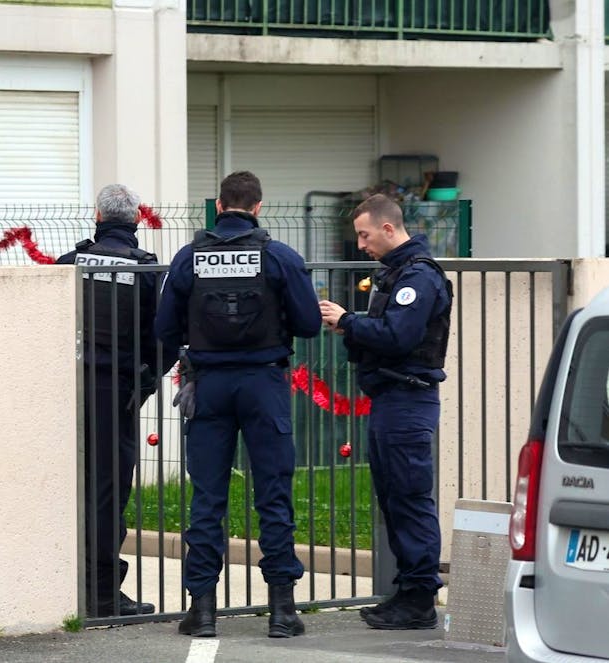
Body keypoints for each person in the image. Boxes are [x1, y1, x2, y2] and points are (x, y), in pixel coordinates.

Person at [154, 171, 321, 638]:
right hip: (264, 384)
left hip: (209, 386)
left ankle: (203, 610)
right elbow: (309, 324)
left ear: (219, 206)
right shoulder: (279, 257)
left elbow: (164, 327)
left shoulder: (189, 258)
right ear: (258, 207)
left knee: (208, 498)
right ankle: (282, 611)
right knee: (273, 494)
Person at [318, 193, 453, 630]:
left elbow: (398, 336)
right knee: (394, 498)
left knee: (409, 499)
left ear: (389, 229)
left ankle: (420, 599)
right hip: (391, 399)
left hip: (407, 399)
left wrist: (347, 321)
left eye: (365, 235)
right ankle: (408, 591)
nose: (361, 245)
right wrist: (352, 326)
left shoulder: (419, 277)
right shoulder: (397, 273)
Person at [56, 183, 173, 618]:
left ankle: (62, 585)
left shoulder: (69, 264)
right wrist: (143, 385)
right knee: (107, 492)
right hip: (116, 392)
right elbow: (163, 337)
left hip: (66, 391)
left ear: (97, 216)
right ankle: (102, 594)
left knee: (67, 486)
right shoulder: (145, 270)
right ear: (137, 219)